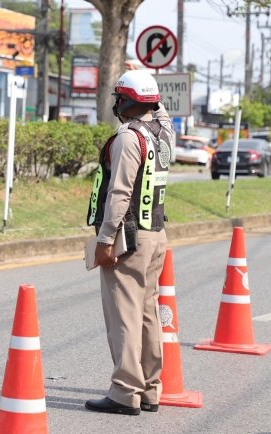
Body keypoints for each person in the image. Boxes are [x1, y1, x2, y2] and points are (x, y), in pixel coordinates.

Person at [84, 63, 174, 415]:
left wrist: (106, 239)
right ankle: (150, 389)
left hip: (129, 239)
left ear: (123, 101)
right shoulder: (163, 132)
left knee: (125, 314)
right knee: (148, 312)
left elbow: (119, 193)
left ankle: (124, 392)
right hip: (156, 235)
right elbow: (161, 111)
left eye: (118, 98)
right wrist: (145, 79)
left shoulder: (128, 137)